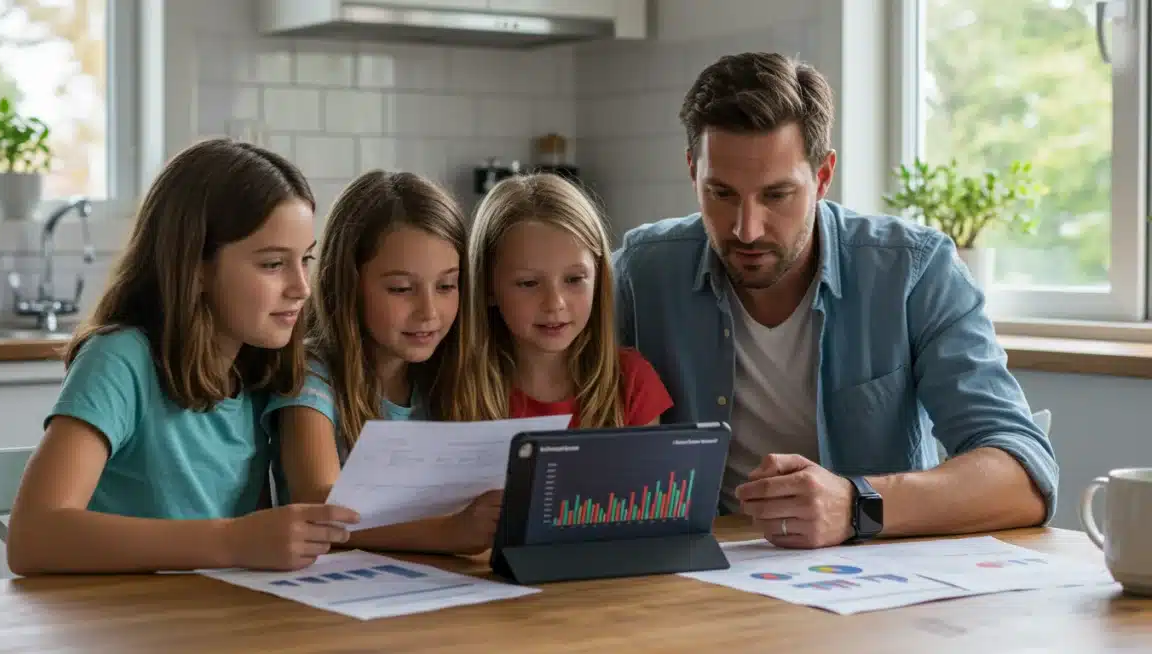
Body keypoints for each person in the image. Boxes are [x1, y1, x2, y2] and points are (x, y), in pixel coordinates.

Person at [611, 52, 1058, 549]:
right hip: (700, 578)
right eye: (721, 193)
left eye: (777, 195)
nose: (747, 228)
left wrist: (856, 504)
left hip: (870, 587)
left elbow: (1026, 476)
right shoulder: (640, 274)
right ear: (693, 171)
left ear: (823, 177)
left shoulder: (914, 272)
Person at [7, 138, 360, 575]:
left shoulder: (256, 369)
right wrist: (234, 540)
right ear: (194, 266)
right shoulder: (120, 360)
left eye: (305, 259)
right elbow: (34, 537)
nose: (301, 287)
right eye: (272, 264)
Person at [262, 170, 498, 556]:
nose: (429, 312)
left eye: (446, 286)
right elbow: (319, 504)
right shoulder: (311, 376)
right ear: (347, 283)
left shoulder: (453, 376)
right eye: (401, 289)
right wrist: (446, 533)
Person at [451, 173, 673, 428]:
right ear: (487, 287)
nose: (555, 303)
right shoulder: (459, 386)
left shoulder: (631, 382)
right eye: (528, 283)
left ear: (599, 279)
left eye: (574, 279)